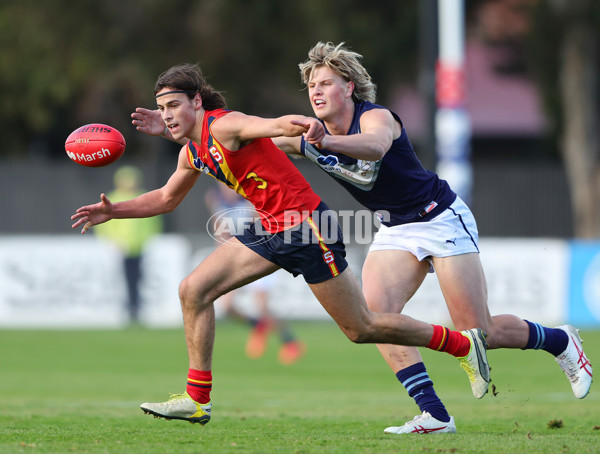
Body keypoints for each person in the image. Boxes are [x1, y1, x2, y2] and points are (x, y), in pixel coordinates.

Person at [71, 62, 489, 426]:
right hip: (271, 228)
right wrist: (114, 211)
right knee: (193, 290)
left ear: (197, 102)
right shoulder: (192, 152)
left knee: (361, 328)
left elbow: (270, 125)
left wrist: (303, 125)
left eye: (174, 105)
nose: (167, 115)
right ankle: (197, 401)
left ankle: (461, 344)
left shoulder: (224, 124)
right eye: (162, 108)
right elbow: (165, 198)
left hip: (306, 227)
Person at [273, 42, 593, 434]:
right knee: (375, 319)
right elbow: (258, 143)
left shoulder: (377, 118)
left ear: (350, 87)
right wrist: (207, 141)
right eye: (311, 86)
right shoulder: (311, 134)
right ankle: (435, 415)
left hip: (440, 218)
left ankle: (560, 341)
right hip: (396, 229)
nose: (316, 92)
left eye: (325, 83)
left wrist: (322, 142)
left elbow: (374, 148)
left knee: (479, 333)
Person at [204, 183, 305, 364]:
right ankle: (257, 326)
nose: (226, 187)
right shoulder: (215, 200)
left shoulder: (250, 198)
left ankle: (290, 341)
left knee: (263, 307)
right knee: (227, 306)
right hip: (234, 258)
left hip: (258, 255)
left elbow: (260, 228)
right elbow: (220, 233)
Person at [94, 165, 163, 324]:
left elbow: (152, 223)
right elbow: (105, 227)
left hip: (139, 248)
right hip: (120, 249)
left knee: (138, 279)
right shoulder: (114, 198)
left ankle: (136, 308)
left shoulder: (142, 197)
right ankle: (127, 308)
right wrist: (112, 242)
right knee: (123, 280)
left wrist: (147, 240)